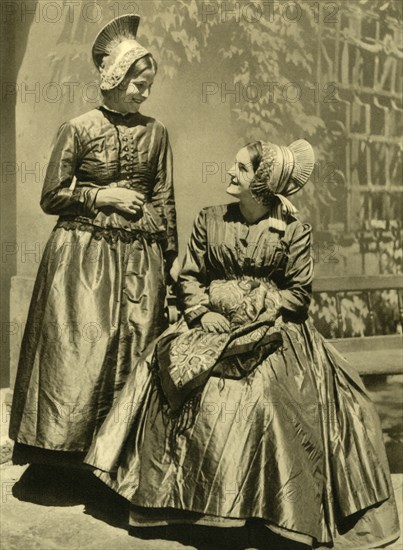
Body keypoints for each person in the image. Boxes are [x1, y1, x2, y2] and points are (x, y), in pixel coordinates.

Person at [85, 139, 399, 548]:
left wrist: (250, 309)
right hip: (209, 322)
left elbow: (298, 294)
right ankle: (174, 505)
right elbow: (190, 276)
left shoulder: (294, 230)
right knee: (173, 372)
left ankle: (262, 511)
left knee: (265, 393)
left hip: (274, 330)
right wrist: (201, 312)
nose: (231, 173)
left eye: (242, 169)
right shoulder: (211, 218)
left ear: (263, 183)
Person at [9, 15, 177, 465]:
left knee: (136, 351)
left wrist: (173, 264)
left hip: (142, 262)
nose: (144, 92)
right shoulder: (79, 128)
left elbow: (165, 201)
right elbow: (52, 195)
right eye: (138, 83)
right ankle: (67, 461)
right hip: (83, 259)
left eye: (148, 85)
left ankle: (120, 462)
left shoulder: (157, 133)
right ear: (115, 77)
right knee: (83, 352)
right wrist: (103, 194)